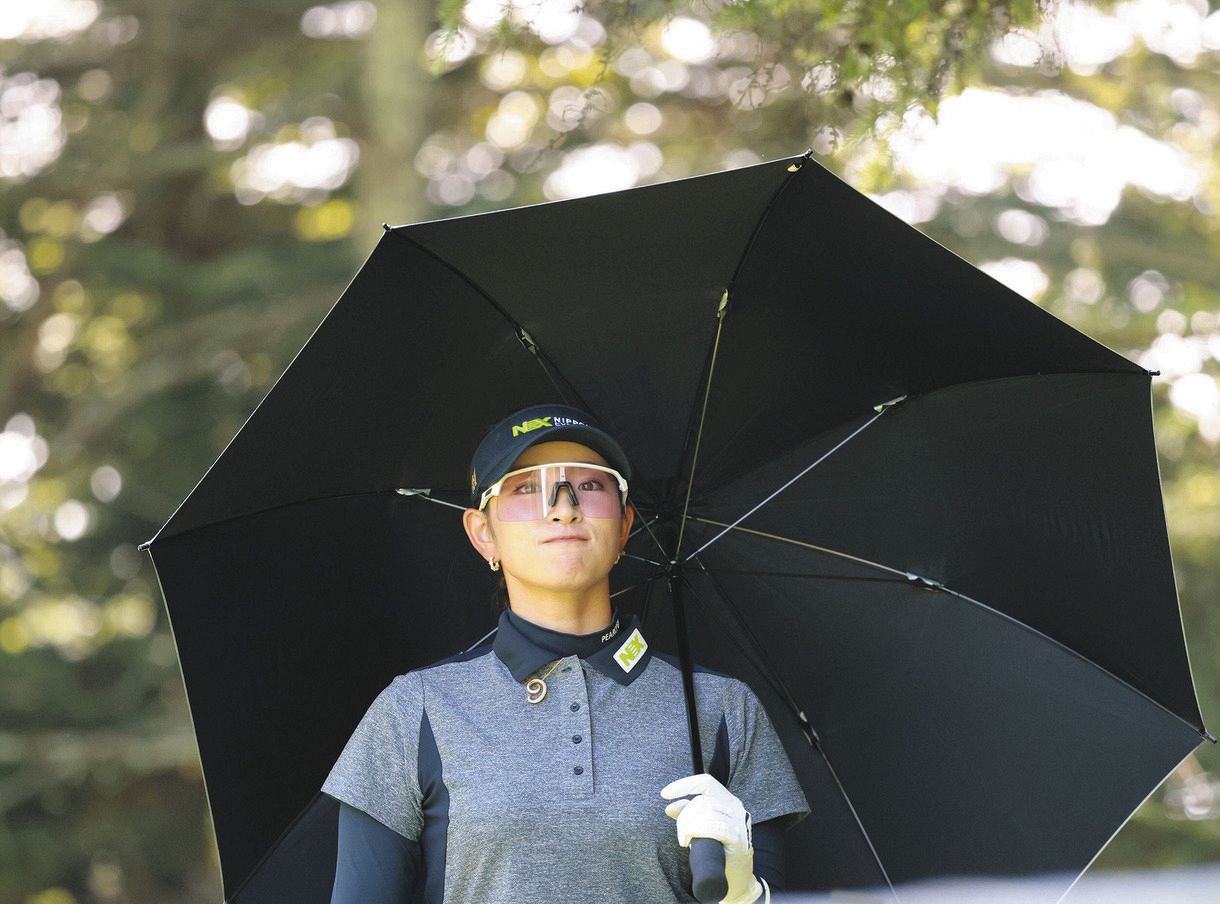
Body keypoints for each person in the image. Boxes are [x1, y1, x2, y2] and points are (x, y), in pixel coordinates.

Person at [321, 404, 809, 903]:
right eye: (527, 487)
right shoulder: (413, 710)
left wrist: (746, 893)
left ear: (623, 527)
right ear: (483, 533)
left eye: (591, 485)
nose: (563, 506)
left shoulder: (725, 708)